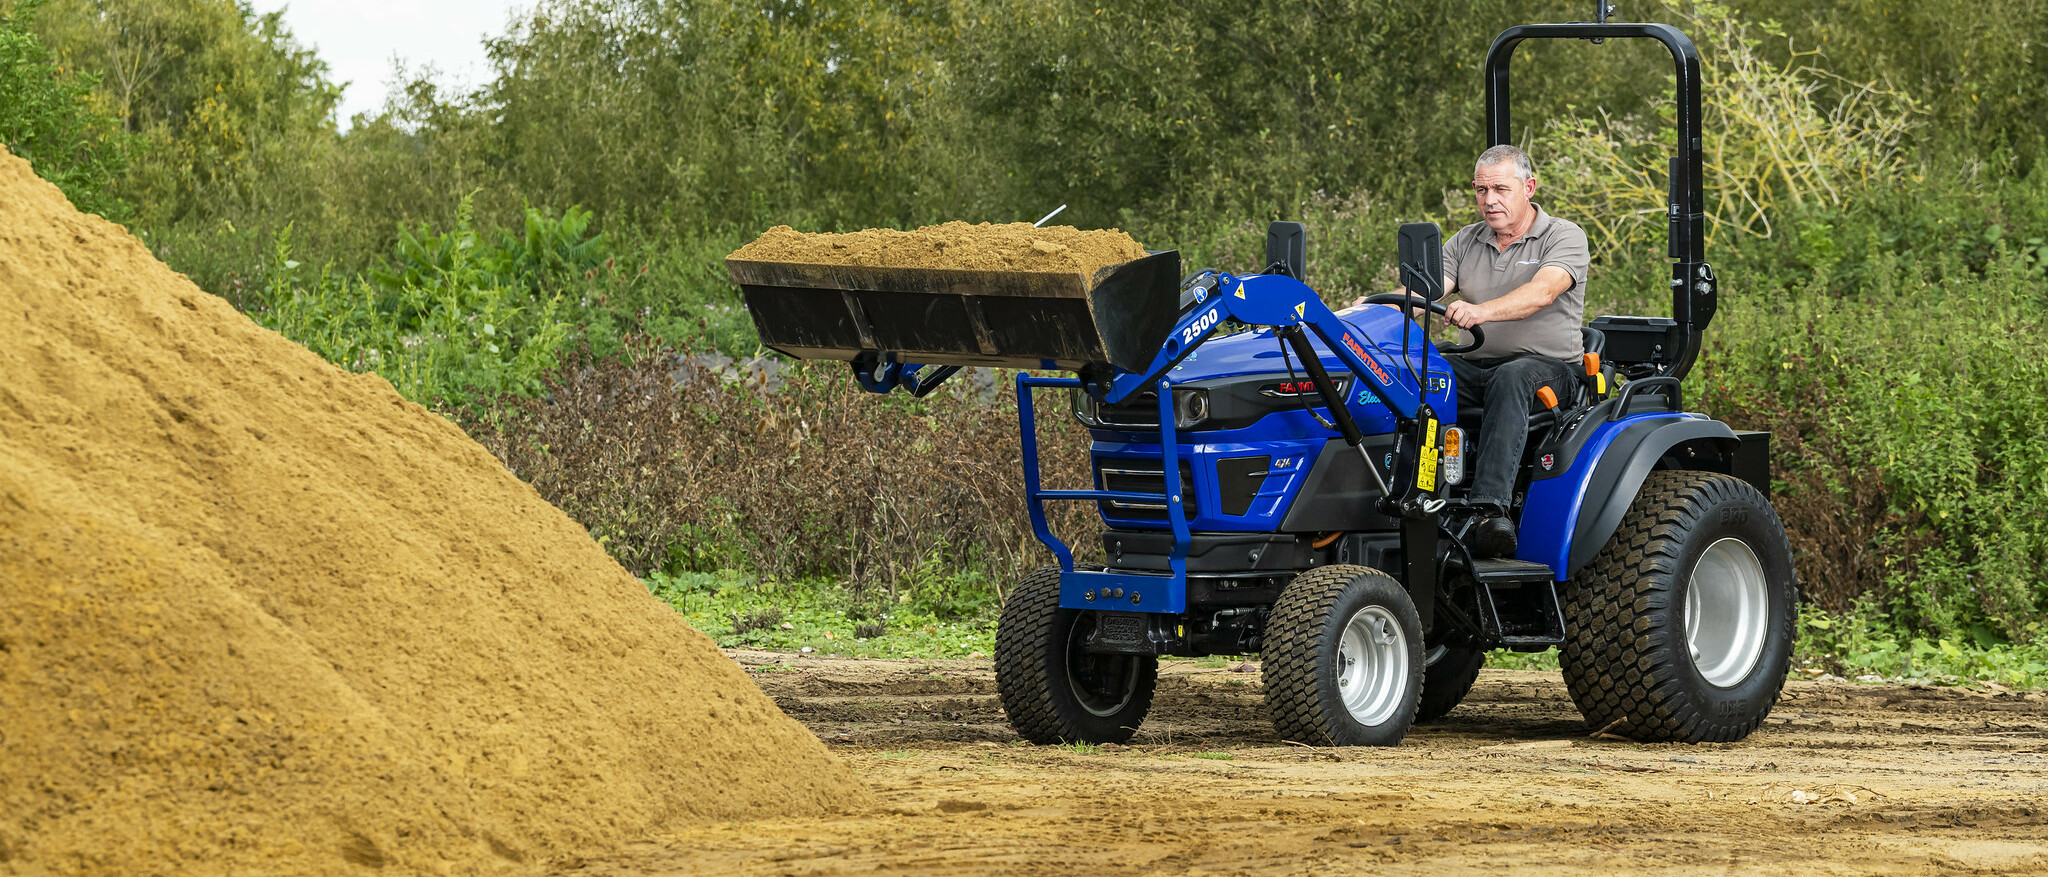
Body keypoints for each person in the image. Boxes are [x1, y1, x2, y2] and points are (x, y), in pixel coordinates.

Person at [1347, 145, 1590, 557]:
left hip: (1550, 371)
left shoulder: (1563, 236)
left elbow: (1541, 293)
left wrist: (1480, 311)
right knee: (1411, 372)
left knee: (1513, 376)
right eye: (1480, 190)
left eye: (1500, 189)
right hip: (1476, 368)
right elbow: (1424, 293)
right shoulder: (1466, 240)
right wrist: (1358, 317)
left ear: (1528, 187)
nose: (1489, 200)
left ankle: (1488, 512)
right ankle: (1401, 493)